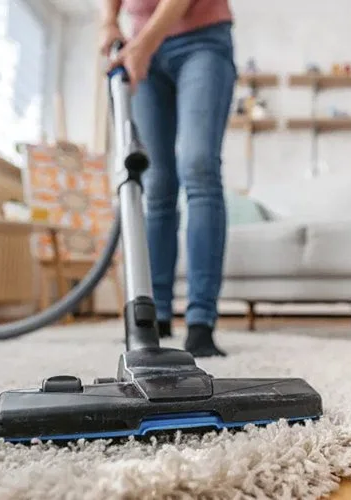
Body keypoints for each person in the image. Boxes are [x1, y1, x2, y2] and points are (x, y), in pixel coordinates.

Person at [102, 0, 236, 357]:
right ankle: (155, 316)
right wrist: (108, 22)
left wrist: (143, 44)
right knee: (156, 183)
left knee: (198, 167)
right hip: (140, 44)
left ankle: (201, 322)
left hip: (202, 40)